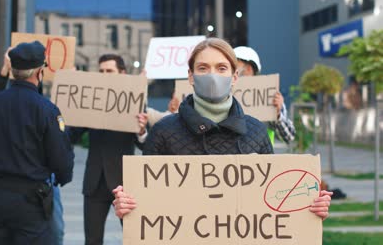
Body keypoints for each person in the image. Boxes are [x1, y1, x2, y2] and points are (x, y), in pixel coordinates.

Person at [112, 38, 332, 220]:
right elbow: (145, 207)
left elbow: (273, 202)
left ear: (234, 77)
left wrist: (308, 209)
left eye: (221, 68)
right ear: (190, 76)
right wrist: (127, 210)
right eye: (203, 68)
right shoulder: (163, 131)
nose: (212, 75)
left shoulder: (256, 132)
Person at [0, 41, 74, 244]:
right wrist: (61, 177)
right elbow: (61, 160)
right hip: (30, 201)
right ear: (39, 72)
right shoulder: (46, 110)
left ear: (13, 71)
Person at [67, 54, 148, 245]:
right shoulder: (90, 101)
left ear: (122, 73)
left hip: (124, 183)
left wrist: (142, 130)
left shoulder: (134, 100)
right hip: (94, 183)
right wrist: (74, 100)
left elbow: (144, 144)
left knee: (133, 238)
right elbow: (71, 137)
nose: (104, 75)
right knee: (92, 240)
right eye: (101, 71)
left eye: (109, 71)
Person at [234, 46, 296, 145]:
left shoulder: (270, 96)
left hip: (261, 157)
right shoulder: (226, 93)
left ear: (249, 69)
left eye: (235, 66)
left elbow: (289, 136)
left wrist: (277, 115)